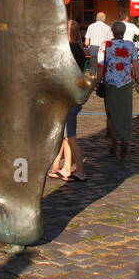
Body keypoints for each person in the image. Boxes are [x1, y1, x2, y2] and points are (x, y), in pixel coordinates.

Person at [49, 21, 88, 181]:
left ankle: (80, 170)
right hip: (73, 95)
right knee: (65, 135)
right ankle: (61, 167)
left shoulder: (67, 50)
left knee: (70, 136)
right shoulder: (78, 50)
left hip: (67, 96)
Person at [101, 21, 139, 159]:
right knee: (125, 113)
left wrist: (97, 81)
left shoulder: (106, 45)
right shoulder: (130, 46)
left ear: (112, 31)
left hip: (110, 82)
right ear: (124, 32)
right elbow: (136, 66)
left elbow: (101, 65)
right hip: (126, 83)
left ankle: (114, 143)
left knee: (111, 113)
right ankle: (124, 140)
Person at [84, 12, 113, 78]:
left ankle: (92, 81)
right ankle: (100, 83)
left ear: (96, 18)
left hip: (93, 49)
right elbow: (110, 40)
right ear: (104, 18)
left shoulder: (91, 26)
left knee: (93, 67)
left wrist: (86, 48)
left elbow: (86, 41)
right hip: (103, 50)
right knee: (102, 67)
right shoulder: (108, 28)